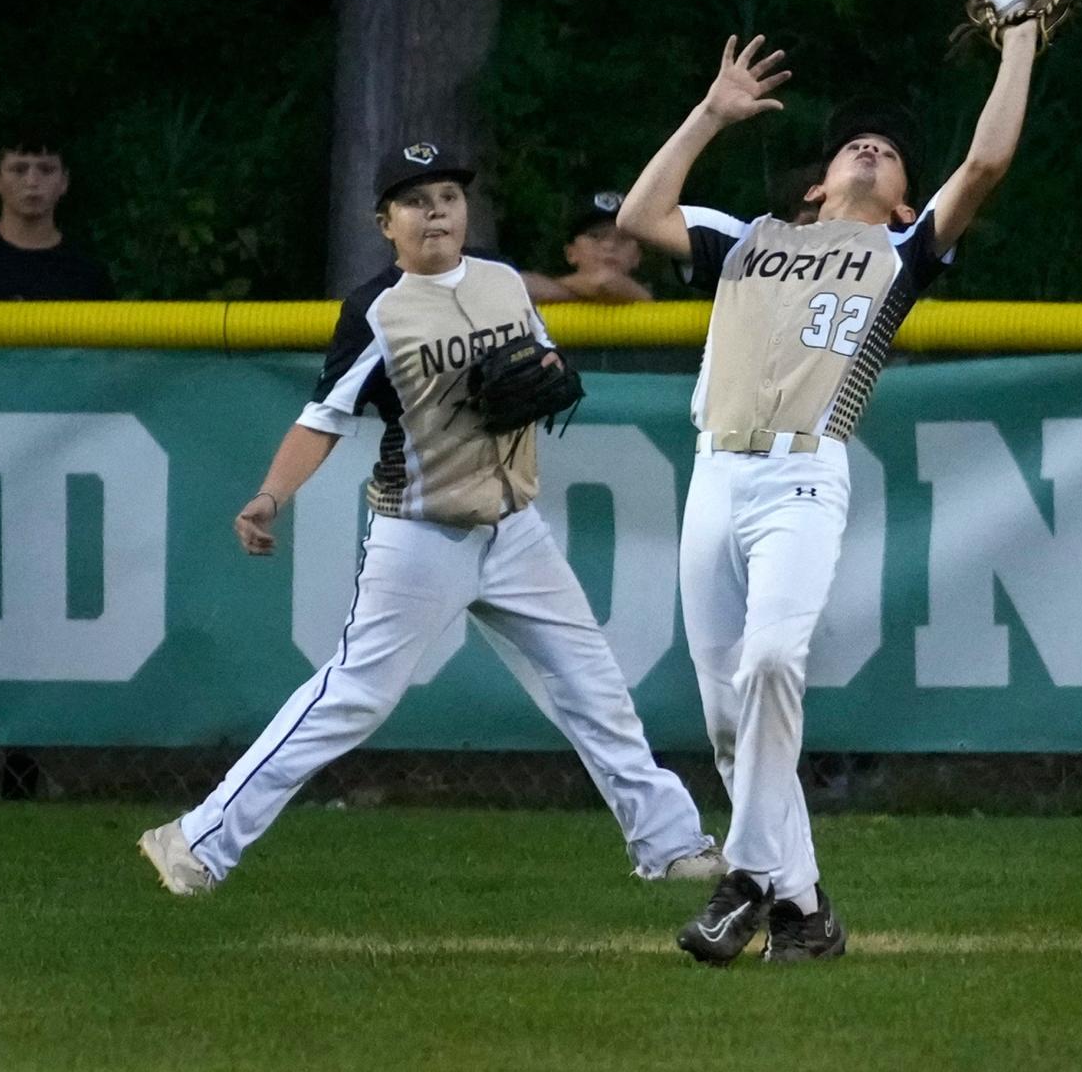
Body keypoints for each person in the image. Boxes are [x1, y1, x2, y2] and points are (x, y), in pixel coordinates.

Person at [137, 140, 721, 895]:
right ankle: (196, 837)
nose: (435, 210)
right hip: (421, 532)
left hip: (515, 528)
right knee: (353, 696)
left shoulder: (504, 281)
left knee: (594, 688)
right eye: (415, 200)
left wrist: (539, 377)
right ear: (386, 222)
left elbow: (543, 366)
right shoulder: (377, 310)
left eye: (447, 195)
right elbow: (323, 417)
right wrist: (271, 495)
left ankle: (669, 845)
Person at [617, 22, 1039, 965]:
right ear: (814, 183)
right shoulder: (747, 239)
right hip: (715, 474)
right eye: (858, 143)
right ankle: (807, 915)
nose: (873, 150)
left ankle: (743, 884)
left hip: (805, 476)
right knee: (730, 721)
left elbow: (987, 159)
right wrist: (709, 115)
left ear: (900, 204)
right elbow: (641, 217)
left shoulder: (901, 253)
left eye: (890, 155)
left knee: (770, 660)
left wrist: (1019, 43)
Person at [0, 134, 113, 299]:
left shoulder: (87, 271)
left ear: (64, 181)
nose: (32, 181)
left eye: (46, 170)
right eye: (19, 170)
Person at [522, 192, 654, 304]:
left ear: (637, 257)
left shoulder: (652, 307)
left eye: (623, 238)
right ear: (570, 253)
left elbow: (605, 282)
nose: (610, 245)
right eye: (596, 236)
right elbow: (521, 284)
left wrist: (556, 291)